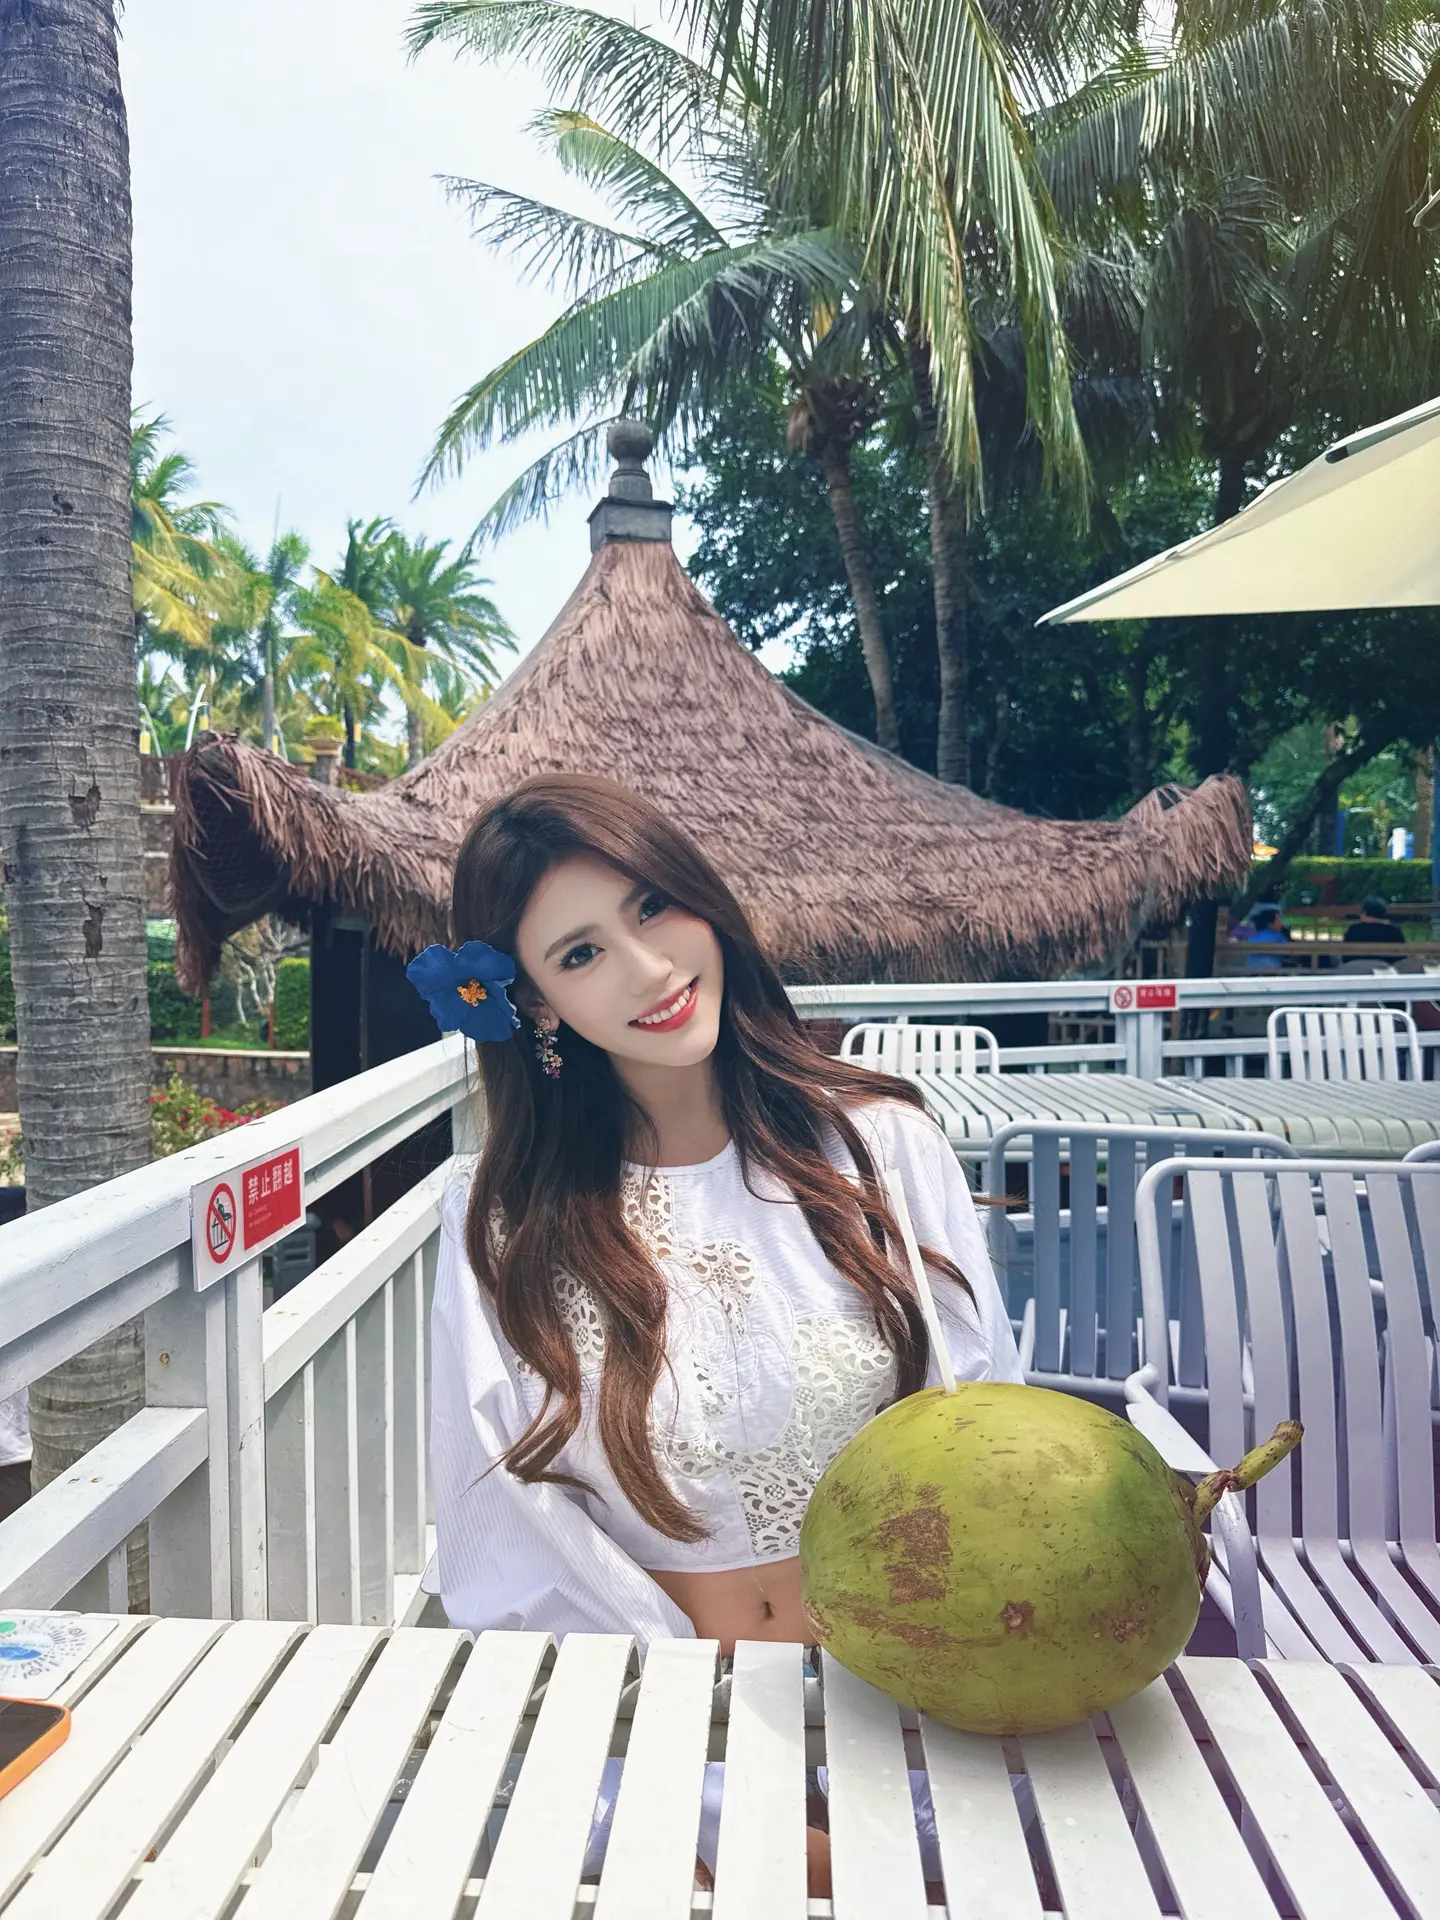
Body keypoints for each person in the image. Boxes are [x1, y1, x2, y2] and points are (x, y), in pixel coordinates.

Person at [416, 773, 1021, 1890]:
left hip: (915, 1697)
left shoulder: (882, 1148)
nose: (648, 969)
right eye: (582, 953)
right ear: (535, 1003)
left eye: (652, 907)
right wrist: (710, 1789)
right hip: (645, 1731)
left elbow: (986, 1435)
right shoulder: (501, 1224)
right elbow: (508, 1538)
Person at [1244, 904, 1290, 970]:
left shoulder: (1252, 936)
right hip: (1272, 971)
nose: (1281, 924)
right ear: (1269, 924)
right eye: (1278, 921)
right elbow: (1289, 951)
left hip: (1251, 970)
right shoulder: (1278, 937)